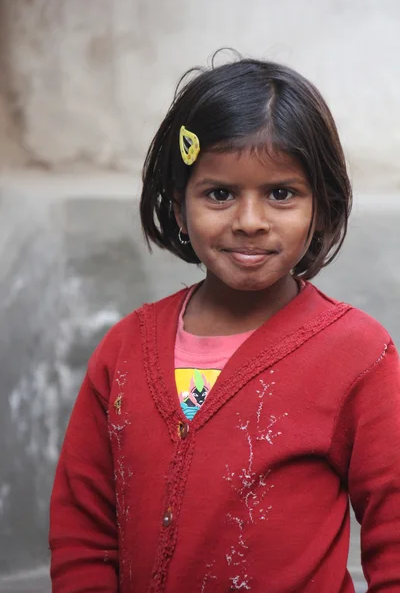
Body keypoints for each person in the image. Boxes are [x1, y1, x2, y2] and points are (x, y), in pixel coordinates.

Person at [49, 55, 400, 593]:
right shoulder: (124, 350)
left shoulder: (359, 355)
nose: (250, 221)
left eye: (281, 193)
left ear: (322, 206)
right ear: (179, 203)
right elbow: (83, 529)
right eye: (219, 194)